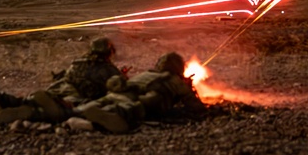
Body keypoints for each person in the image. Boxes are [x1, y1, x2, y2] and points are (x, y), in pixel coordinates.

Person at [77, 52, 209, 133]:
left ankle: (75, 112)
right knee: (134, 108)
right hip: (141, 99)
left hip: (120, 92)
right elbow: (195, 106)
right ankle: (113, 114)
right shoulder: (173, 79)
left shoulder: (147, 73)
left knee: (107, 101)